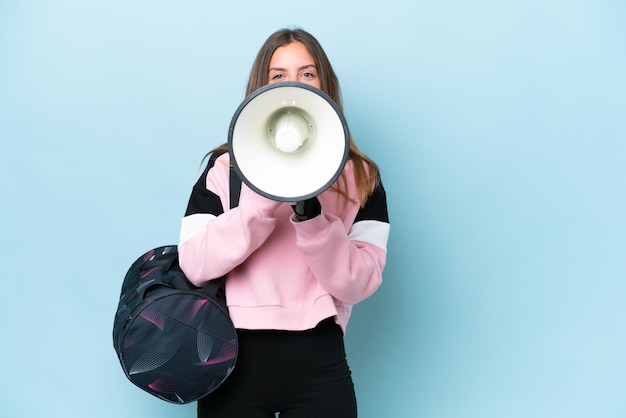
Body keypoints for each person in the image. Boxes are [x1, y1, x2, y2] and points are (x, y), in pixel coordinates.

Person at [178, 27, 390, 418]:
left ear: (325, 84)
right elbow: (194, 264)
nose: (294, 84)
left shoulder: (362, 176)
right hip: (233, 356)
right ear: (262, 86)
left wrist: (311, 217)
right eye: (279, 76)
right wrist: (259, 203)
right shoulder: (223, 168)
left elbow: (360, 284)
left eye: (307, 73)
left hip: (319, 359)